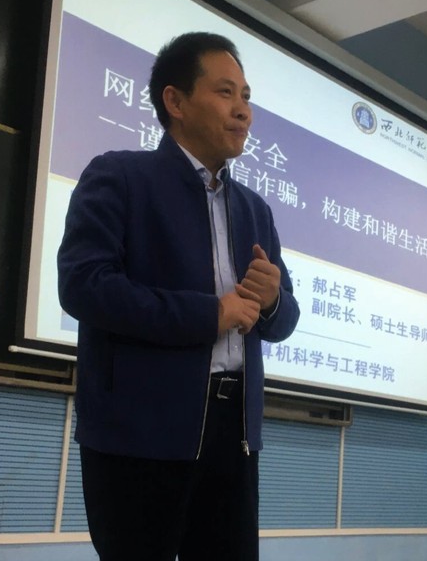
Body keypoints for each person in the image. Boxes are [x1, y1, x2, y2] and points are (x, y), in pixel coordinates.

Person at [57, 32, 300, 561]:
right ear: (175, 101)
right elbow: (83, 285)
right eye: (225, 93)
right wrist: (210, 314)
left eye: (247, 97)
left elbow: (282, 321)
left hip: (235, 436)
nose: (243, 111)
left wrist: (273, 300)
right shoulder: (120, 176)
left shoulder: (255, 209)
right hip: (140, 433)